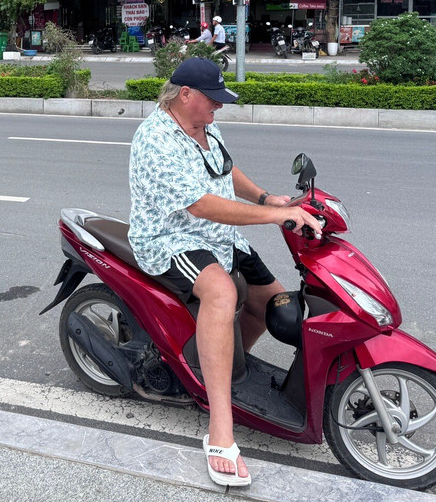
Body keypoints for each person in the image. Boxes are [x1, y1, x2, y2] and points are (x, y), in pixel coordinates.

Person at [127, 58, 321, 488]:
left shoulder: (205, 125)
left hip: (219, 237)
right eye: (213, 100)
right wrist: (274, 217)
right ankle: (220, 429)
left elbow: (224, 168)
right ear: (185, 96)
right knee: (221, 293)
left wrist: (268, 197)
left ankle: (219, 370)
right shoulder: (156, 139)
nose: (219, 108)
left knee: (274, 305)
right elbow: (200, 205)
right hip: (172, 238)